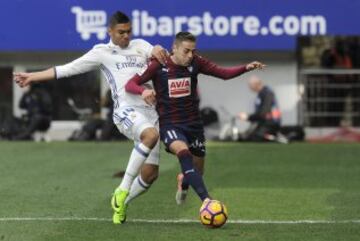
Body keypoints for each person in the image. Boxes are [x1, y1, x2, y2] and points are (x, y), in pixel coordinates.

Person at [14, 11, 167, 224]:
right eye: (121, 32)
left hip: (151, 112)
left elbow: (158, 53)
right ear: (110, 31)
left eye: (129, 31)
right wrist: (33, 76)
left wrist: (159, 49)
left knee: (150, 175)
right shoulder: (101, 52)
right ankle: (122, 189)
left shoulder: (141, 45)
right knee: (150, 136)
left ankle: (121, 201)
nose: (126, 36)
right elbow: (68, 69)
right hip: (126, 111)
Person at [125, 31, 265, 206]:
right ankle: (207, 201)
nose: (190, 55)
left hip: (194, 125)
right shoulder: (158, 65)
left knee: (196, 171)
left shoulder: (196, 62)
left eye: (193, 51)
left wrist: (246, 67)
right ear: (174, 48)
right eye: (186, 51)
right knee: (184, 154)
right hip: (170, 125)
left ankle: (184, 181)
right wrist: (143, 91)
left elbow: (224, 73)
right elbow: (130, 84)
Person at [238, 75, 286, 143]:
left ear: (256, 84)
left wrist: (248, 117)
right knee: (246, 138)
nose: (249, 87)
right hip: (263, 122)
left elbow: (263, 113)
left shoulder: (267, 93)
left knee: (257, 138)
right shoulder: (260, 94)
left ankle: (275, 138)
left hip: (271, 123)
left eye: (250, 85)